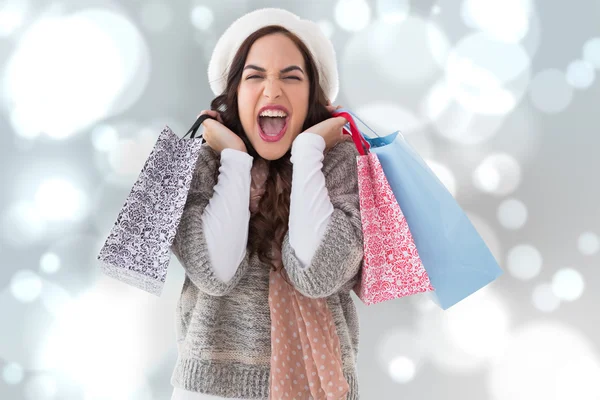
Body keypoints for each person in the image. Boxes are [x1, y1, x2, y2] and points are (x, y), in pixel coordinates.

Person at [170, 8, 363, 400]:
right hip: (211, 391)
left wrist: (310, 151)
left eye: (291, 77)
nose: (272, 90)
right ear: (234, 94)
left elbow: (318, 275)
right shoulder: (203, 163)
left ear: (313, 95)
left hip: (318, 389)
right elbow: (215, 273)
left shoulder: (341, 164)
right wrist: (235, 161)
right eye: (254, 76)